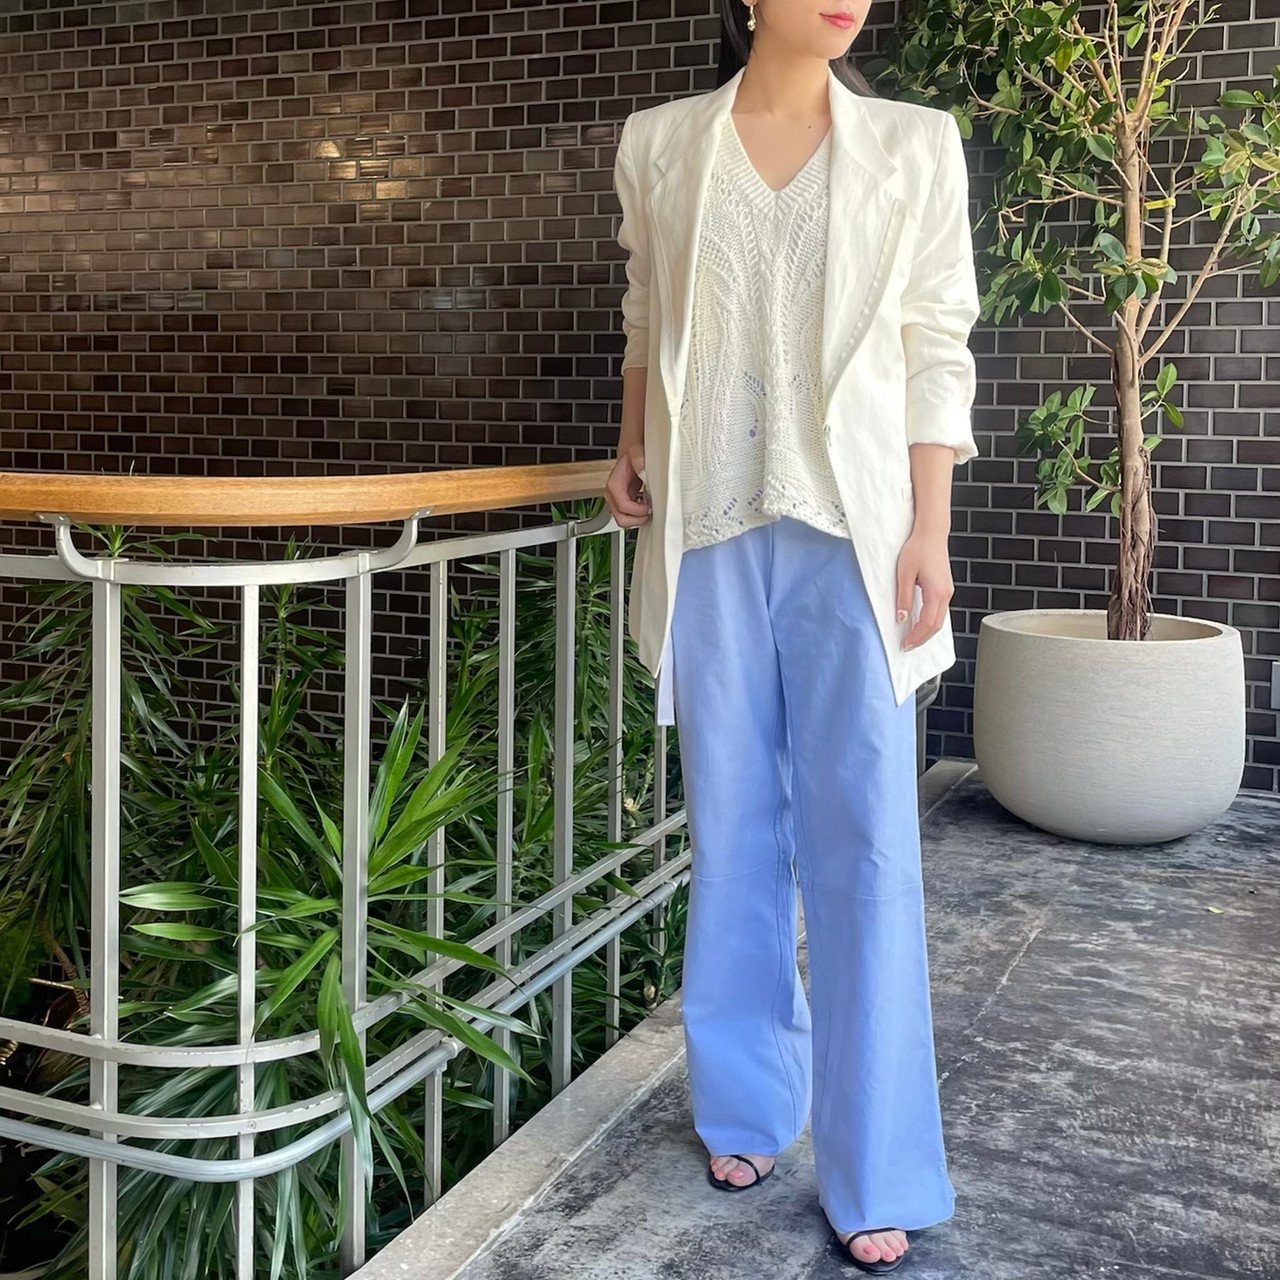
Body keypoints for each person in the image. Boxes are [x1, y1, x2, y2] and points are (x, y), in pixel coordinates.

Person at [603, 1, 981, 1273]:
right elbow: (646, 306)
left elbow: (936, 342)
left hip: (849, 537)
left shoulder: (912, 143)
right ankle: (746, 1102)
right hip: (707, 531)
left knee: (864, 837)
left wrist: (928, 526)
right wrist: (629, 440)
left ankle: (878, 1164)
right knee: (733, 827)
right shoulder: (659, 142)